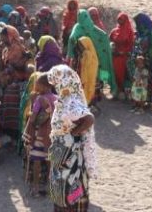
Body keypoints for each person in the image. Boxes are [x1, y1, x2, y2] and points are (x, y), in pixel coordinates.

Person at [46, 65, 97, 212]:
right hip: (63, 154)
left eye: (57, 82)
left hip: (70, 157)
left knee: (69, 191)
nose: (56, 86)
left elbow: (89, 119)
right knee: (62, 191)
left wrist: (74, 133)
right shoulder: (65, 99)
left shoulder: (71, 102)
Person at [67, 9, 117, 97]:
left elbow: (102, 34)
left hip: (98, 54)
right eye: (82, 17)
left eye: (86, 16)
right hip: (84, 56)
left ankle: (103, 91)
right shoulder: (78, 27)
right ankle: (88, 94)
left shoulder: (91, 25)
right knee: (87, 74)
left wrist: (104, 39)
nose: (85, 19)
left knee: (103, 72)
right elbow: (72, 38)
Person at [0, 25, 32, 145]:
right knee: (9, 111)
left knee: (16, 112)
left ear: (11, 37)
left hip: (17, 84)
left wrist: (8, 70)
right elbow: (1, 66)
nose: (2, 41)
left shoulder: (17, 48)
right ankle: (13, 138)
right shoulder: (6, 49)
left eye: (4, 38)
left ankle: (18, 138)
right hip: (10, 84)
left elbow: (18, 66)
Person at [23, 73, 56, 197]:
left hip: (39, 135)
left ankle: (36, 187)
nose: (36, 86)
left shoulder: (39, 99)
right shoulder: (57, 98)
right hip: (52, 135)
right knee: (49, 161)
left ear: (44, 86)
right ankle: (50, 186)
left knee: (36, 160)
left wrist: (29, 123)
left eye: (38, 84)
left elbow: (33, 118)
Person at [129, 13, 152, 105]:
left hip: (147, 62)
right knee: (138, 81)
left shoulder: (151, 34)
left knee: (147, 80)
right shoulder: (139, 33)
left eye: (139, 23)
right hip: (138, 61)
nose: (137, 25)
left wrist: (145, 60)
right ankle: (139, 101)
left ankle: (148, 101)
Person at [109, 12, 134, 100]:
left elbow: (131, 45)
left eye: (121, 19)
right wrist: (112, 49)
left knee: (124, 75)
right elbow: (110, 41)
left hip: (124, 57)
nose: (119, 21)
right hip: (115, 57)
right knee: (114, 74)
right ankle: (116, 92)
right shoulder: (114, 31)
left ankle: (125, 93)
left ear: (125, 20)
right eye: (118, 19)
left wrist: (122, 52)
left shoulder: (129, 31)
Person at [72, 37, 99, 106]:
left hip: (88, 77)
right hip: (84, 77)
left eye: (81, 45)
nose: (80, 47)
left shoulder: (87, 54)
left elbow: (85, 66)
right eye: (79, 46)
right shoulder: (86, 54)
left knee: (86, 89)